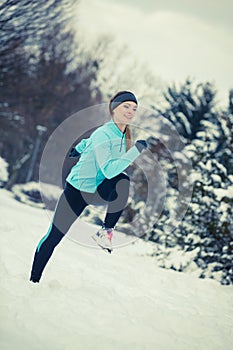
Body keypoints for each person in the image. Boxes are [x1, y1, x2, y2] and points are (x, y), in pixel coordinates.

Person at [30, 91, 147, 283]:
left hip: (97, 190)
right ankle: (33, 280)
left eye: (134, 108)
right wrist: (135, 151)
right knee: (54, 237)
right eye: (126, 106)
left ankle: (106, 231)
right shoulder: (104, 133)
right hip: (76, 192)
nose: (131, 111)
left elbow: (91, 141)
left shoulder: (121, 134)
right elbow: (109, 170)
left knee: (123, 182)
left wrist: (80, 147)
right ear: (114, 108)